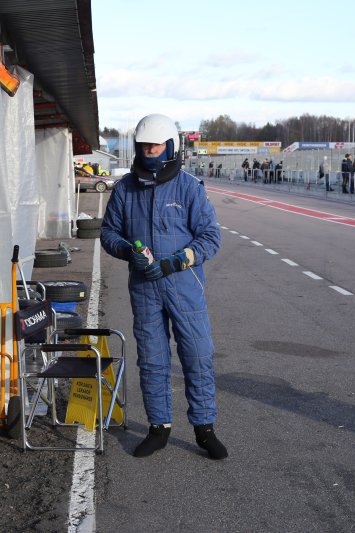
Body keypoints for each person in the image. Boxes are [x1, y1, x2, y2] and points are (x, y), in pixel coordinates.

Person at [100, 113, 227, 460]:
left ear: (170, 147)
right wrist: (128, 250)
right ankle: (159, 428)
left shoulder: (188, 187)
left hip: (184, 286)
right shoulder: (125, 189)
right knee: (153, 360)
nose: (148, 152)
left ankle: (204, 428)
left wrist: (179, 260)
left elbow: (211, 237)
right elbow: (108, 234)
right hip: (144, 288)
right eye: (143, 147)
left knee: (197, 356)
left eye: (155, 146)